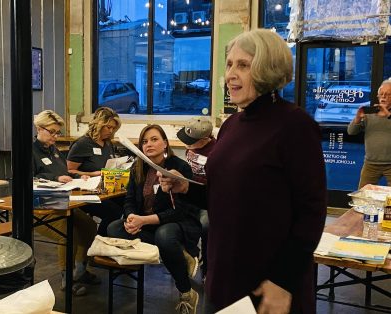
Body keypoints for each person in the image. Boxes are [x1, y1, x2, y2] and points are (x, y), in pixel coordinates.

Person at [160, 29, 326, 313]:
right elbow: (222, 194)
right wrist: (186, 187)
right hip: (224, 276)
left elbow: (311, 213)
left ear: (268, 69)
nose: (231, 74)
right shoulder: (231, 125)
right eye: (229, 64)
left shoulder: (294, 125)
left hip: (269, 284)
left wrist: (281, 280)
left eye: (243, 65)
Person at [107, 125, 203, 314]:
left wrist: (144, 221)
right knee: (113, 228)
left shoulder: (179, 167)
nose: (148, 144)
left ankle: (186, 292)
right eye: (144, 141)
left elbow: (180, 211)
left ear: (165, 144)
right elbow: (129, 200)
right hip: (148, 224)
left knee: (164, 235)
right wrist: (131, 217)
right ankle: (180, 254)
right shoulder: (138, 166)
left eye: (154, 139)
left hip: (178, 223)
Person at [32, 110, 100, 295]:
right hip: (38, 206)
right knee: (67, 232)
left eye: (57, 132)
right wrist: (55, 177)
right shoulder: (30, 152)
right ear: (39, 128)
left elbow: (65, 171)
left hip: (60, 202)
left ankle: (80, 269)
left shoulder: (54, 151)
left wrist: (77, 176)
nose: (55, 136)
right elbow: (31, 179)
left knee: (88, 226)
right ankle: (66, 278)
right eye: (52, 132)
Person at [67, 107, 124, 236]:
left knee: (128, 203)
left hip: (103, 190)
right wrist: (94, 174)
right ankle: (99, 245)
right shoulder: (82, 144)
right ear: (98, 125)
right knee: (113, 212)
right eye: (108, 127)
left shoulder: (108, 144)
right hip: (84, 193)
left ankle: (115, 242)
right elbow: (68, 171)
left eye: (113, 128)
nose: (111, 131)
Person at [176, 117, 214, 279]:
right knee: (172, 213)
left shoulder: (216, 153)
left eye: (192, 142)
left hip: (207, 198)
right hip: (189, 193)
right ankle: (189, 256)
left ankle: (208, 266)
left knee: (206, 224)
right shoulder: (191, 147)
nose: (187, 144)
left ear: (205, 139)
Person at [347, 79, 391, 189]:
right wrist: (357, 118)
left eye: (388, 94)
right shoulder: (369, 113)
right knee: (362, 198)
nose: (384, 96)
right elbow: (351, 131)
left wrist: (388, 115)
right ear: (377, 96)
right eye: (381, 94)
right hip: (371, 164)